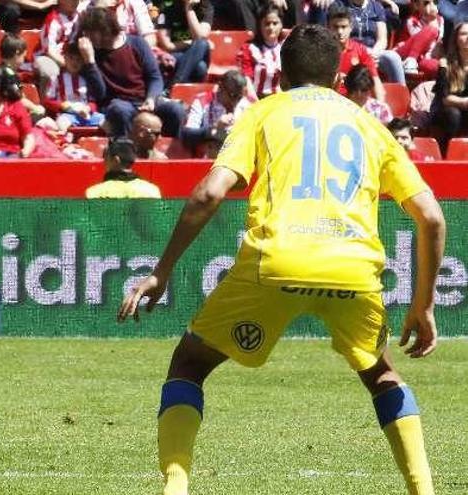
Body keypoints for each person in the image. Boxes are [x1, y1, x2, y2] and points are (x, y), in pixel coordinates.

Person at [118, 23, 444, 495]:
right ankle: (424, 491)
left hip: (275, 261)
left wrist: (161, 270)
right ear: (337, 79)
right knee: (380, 373)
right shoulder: (371, 125)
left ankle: (175, 487)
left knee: (189, 364)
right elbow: (432, 218)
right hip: (352, 268)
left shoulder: (263, 113)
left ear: (280, 77)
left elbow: (209, 193)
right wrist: (423, 305)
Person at [78, 7, 185, 138]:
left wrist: (151, 98)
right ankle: (126, 150)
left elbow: (154, 77)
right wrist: (90, 62)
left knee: (175, 110)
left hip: (143, 100)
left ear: (105, 31)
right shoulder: (92, 55)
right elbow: (100, 94)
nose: (88, 37)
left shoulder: (137, 44)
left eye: (91, 33)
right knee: (119, 110)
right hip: (119, 104)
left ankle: (168, 151)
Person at [181, 69, 250, 158]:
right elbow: (187, 135)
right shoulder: (202, 101)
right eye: (233, 95)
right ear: (220, 87)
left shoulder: (246, 104)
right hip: (208, 159)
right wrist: (214, 127)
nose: (236, 101)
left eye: (239, 97)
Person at [42, 41, 104, 131]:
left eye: (78, 60)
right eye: (71, 58)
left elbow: (92, 101)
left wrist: (88, 108)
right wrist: (62, 105)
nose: (75, 62)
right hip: (67, 115)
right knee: (61, 124)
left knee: (107, 121)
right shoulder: (56, 79)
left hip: (86, 114)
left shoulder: (86, 79)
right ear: (65, 58)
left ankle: (112, 142)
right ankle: (63, 143)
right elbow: (48, 101)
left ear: (83, 62)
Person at [329, 4, 386, 100]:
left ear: (351, 27)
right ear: (329, 27)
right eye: (335, 27)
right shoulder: (323, 51)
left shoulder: (361, 51)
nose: (339, 31)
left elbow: (375, 81)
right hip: (330, 103)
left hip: (355, 104)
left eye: (343, 27)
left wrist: (380, 107)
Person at [154, 0, 212, 84]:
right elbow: (167, 45)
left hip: (198, 53)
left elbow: (200, 36)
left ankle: (175, 84)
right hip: (176, 54)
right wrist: (192, 44)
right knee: (200, 67)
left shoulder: (206, 8)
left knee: (202, 44)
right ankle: (179, 88)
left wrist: (189, 9)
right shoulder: (167, 10)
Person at [33, 0, 81, 96]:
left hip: (69, 57)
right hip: (47, 57)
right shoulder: (53, 19)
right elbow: (48, 50)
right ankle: (45, 102)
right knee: (50, 70)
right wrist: (67, 64)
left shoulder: (78, 16)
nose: (76, 2)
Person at [238, 3, 285, 100]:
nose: (271, 28)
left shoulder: (286, 48)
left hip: (279, 100)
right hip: (256, 99)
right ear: (260, 26)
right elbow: (247, 80)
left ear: (281, 25)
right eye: (267, 24)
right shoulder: (249, 48)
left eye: (275, 23)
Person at [85, 137, 161, 198]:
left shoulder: (95, 193)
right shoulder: (152, 190)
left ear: (115, 160)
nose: (104, 161)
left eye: (106, 156)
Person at [431, 21, 468, 145]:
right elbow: (445, 99)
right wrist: (465, 102)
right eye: (463, 34)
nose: (467, 37)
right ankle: (447, 153)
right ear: (456, 39)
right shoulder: (445, 64)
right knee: (454, 114)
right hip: (445, 111)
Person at [395, 0, 443, 79]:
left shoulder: (440, 20)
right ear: (417, 6)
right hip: (404, 54)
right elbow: (421, 42)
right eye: (426, 3)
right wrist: (431, 22)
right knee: (432, 30)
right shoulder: (412, 21)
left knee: (442, 67)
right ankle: (410, 60)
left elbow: (438, 43)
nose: (432, 6)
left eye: (435, 2)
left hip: (423, 59)